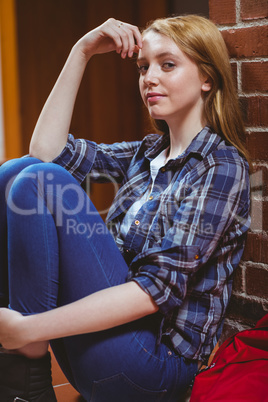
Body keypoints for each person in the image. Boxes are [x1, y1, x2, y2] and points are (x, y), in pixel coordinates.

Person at [0, 15, 251, 402]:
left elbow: (155, 291)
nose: (149, 78)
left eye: (167, 64)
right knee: (16, 172)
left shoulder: (221, 166)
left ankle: (24, 358)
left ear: (207, 78)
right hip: (107, 344)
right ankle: (25, 375)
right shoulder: (146, 153)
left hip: (154, 369)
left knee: (36, 180)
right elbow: (45, 153)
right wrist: (80, 52)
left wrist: (29, 330)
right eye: (143, 66)